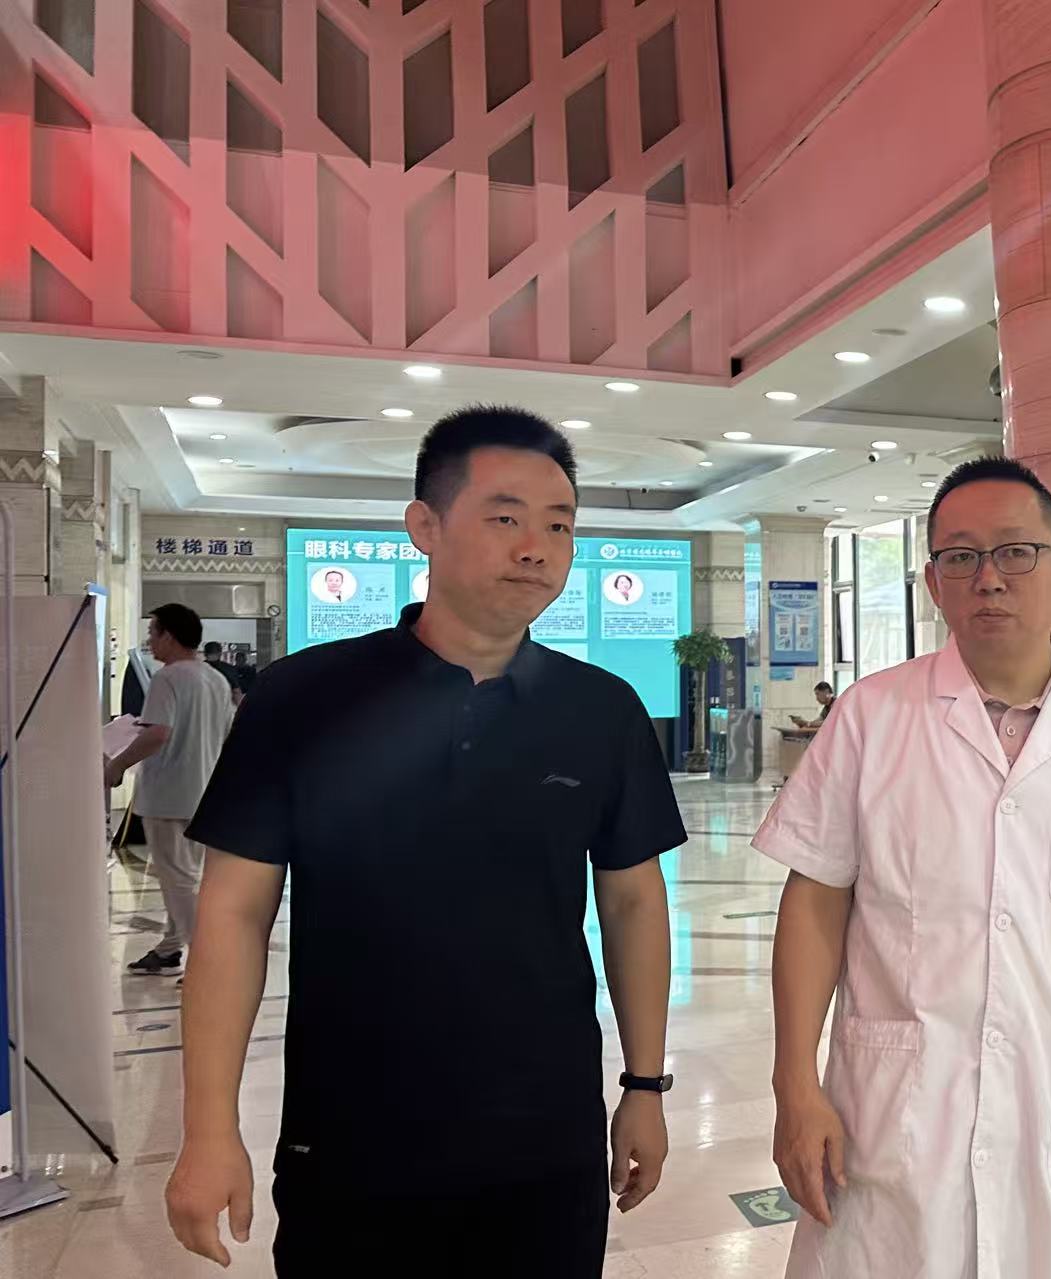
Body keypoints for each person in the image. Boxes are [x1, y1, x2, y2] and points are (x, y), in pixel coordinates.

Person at [165, 406, 685, 1276]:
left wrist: (643, 1085)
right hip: (352, 1141)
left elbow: (633, 900)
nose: (537, 548)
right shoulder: (305, 698)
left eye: (559, 526)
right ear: (424, 526)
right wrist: (209, 1128)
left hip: (543, 1142)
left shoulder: (601, 711)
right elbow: (232, 914)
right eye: (505, 517)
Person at [760, 455, 1051, 1277]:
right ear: (932, 582)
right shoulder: (873, 715)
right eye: (960, 556)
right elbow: (814, 899)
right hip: (895, 1113)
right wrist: (794, 1083)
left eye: (1016, 551)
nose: (989, 578)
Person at [106, 605, 235, 976]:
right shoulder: (215, 679)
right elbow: (228, 732)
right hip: (202, 793)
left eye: (153, 633)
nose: (150, 641)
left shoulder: (168, 678)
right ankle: (169, 949)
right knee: (186, 877)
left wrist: (117, 765)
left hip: (168, 795)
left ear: (170, 635)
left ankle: (207, 964)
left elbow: (159, 734)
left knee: (178, 882)